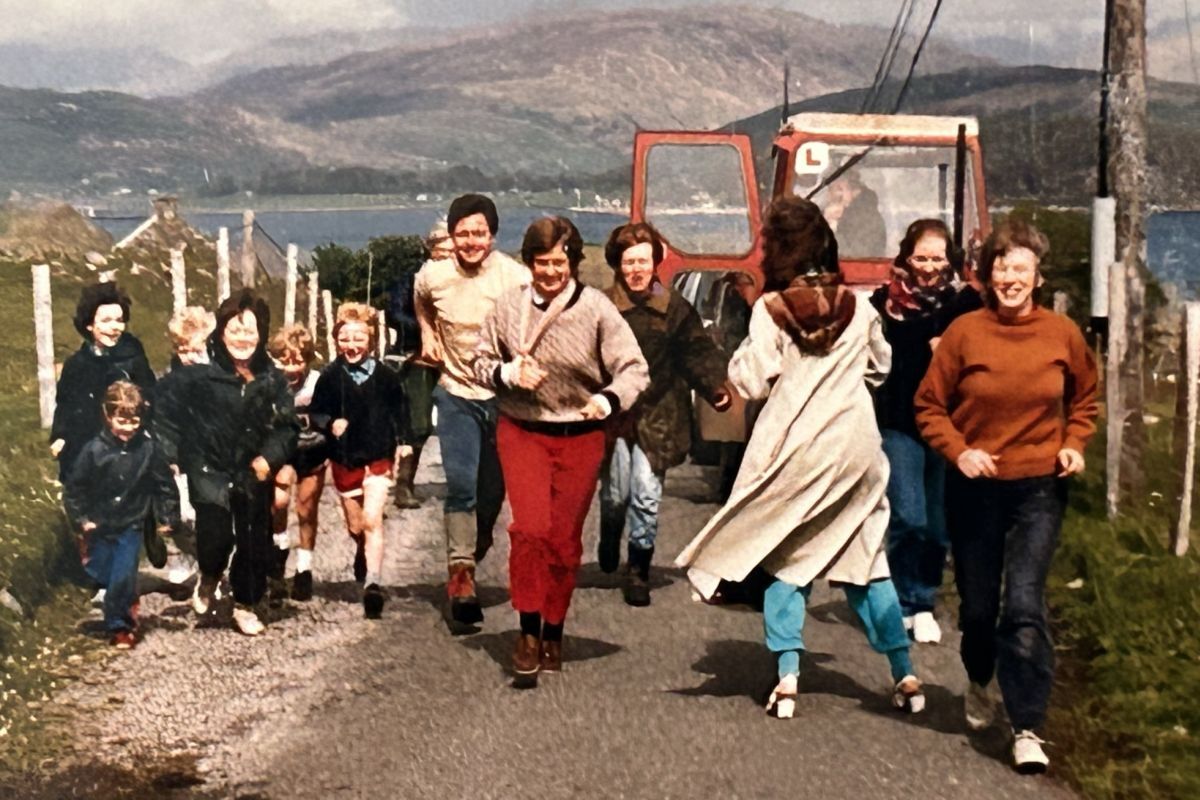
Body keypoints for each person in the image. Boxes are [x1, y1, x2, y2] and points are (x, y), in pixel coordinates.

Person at [675, 196, 924, 720]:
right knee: (866, 562)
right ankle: (903, 673)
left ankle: (788, 676)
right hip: (856, 448)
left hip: (797, 449)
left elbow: (750, 379)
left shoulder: (772, 310)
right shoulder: (860, 307)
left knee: (787, 560)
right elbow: (881, 367)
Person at [914, 219, 1098, 774]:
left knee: (1022, 604)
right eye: (1001, 268)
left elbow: (1086, 395)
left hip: (1038, 487)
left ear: (1037, 276)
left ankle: (1027, 727)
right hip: (975, 489)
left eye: (1021, 268)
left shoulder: (1062, 333)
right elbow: (928, 407)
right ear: (987, 276)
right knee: (978, 610)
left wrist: (1074, 443)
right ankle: (977, 678)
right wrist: (959, 451)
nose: (1010, 278)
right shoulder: (966, 333)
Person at [475, 216, 648, 687]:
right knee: (529, 529)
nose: (551, 272)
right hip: (523, 430)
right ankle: (527, 631)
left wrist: (607, 399)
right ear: (528, 262)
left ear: (573, 261)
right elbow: (479, 360)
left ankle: (555, 628)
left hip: (580, 435)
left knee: (563, 541)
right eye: (541, 262)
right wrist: (508, 375)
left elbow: (634, 369)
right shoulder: (508, 307)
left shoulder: (595, 309)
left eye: (560, 262)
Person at [599, 222, 730, 606]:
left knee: (646, 493)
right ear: (617, 265)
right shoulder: (603, 305)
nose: (637, 270)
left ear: (655, 263)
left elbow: (695, 351)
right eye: (629, 262)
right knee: (616, 494)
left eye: (643, 261)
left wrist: (714, 387)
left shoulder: (674, 307)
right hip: (617, 412)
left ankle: (639, 567)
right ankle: (609, 533)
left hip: (660, 410)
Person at [414, 194, 529, 625]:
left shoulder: (514, 278)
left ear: (493, 235)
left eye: (479, 233)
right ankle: (460, 575)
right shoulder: (433, 275)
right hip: (456, 392)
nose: (470, 242)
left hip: (501, 398)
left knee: (491, 493)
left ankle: (474, 548)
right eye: (462, 233)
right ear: (452, 236)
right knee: (460, 484)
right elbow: (422, 301)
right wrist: (429, 335)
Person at [154, 290, 298, 636]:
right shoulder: (199, 375)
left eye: (250, 330)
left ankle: (246, 604)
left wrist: (270, 457)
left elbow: (287, 426)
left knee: (253, 538)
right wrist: (170, 454)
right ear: (220, 332)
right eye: (234, 330)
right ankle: (210, 574)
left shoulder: (272, 380)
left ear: (261, 334)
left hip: (253, 468)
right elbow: (165, 412)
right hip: (207, 466)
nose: (242, 338)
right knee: (215, 536)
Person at [870, 219, 982, 644]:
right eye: (921, 257)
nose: (929, 267)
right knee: (908, 515)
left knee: (937, 524)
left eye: (937, 258)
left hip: (952, 425)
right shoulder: (884, 302)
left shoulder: (967, 303)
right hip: (899, 420)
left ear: (950, 259)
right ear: (905, 257)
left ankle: (925, 600)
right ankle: (904, 599)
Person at [309, 303, 409, 618]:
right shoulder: (329, 376)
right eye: (345, 339)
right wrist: (329, 423)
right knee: (355, 526)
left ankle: (373, 585)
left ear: (371, 341)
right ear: (336, 341)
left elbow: (401, 410)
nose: (352, 346)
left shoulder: (387, 376)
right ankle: (362, 552)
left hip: (378, 455)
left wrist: (405, 442)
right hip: (345, 458)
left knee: (372, 520)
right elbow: (316, 412)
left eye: (359, 339)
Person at [63, 382, 179, 649]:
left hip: (132, 522)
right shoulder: (93, 450)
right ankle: (124, 596)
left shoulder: (148, 450)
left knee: (122, 574)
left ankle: (120, 627)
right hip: (99, 523)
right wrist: (81, 519)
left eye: (134, 421)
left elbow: (165, 485)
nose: (128, 428)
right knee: (99, 571)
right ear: (107, 416)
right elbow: (74, 490)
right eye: (121, 421)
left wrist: (168, 516)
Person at [51, 282, 156, 481]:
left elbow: (150, 394)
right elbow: (65, 405)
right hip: (86, 444)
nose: (114, 327)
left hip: (127, 438)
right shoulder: (77, 364)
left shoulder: (132, 357)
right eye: (106, 320)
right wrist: (60, 436)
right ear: (90, 324)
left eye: (119, 320)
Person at [386, 220, 453, 509]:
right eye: (441, 249)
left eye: (452, 250)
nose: (447, 255)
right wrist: (427, 330)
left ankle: (467, 483)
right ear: (430, 249)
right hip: (418, 358)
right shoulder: (411, 280)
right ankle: (404, 483)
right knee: (418, 423)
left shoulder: (466, 282)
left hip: (458, 362)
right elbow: (394, 314)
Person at [266, 324, 328, 603]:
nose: (291, 368)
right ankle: (279, 546)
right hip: (282, 450)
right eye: (285, 361)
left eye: (298, 361)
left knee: (306, 509)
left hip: (312, 450)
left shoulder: (317, 382)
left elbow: (329, 413)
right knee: (278, 502)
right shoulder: (269, 382)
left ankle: (304, 569)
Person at [823, 171, 886, 257]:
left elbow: (858, 256)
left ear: (855, 191)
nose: (833, 194)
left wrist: (832, 228)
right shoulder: (821, 213)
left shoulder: (868, 219)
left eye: (839, 189)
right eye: (830, 189)